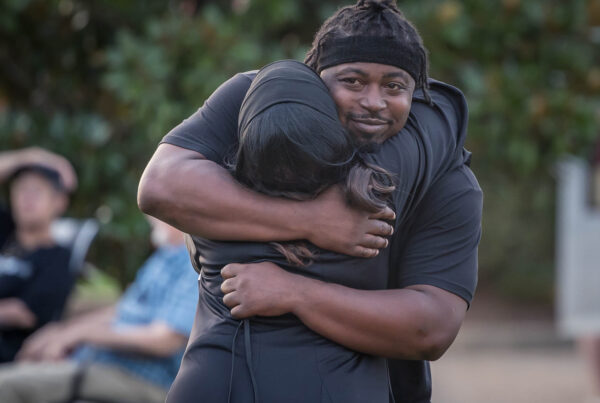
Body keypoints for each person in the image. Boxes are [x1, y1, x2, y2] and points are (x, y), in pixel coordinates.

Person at [139, 1, 482, 401]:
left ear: (416, 93)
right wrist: (310, 219)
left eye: (393, 86)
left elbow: (433, 326)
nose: (373, 101)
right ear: (314, 77)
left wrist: (294, 292)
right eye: (352, 81)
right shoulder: (251, 108)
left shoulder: (444, 179)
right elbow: (159, 187)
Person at [0, 217, 199, 403]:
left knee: (5, 386)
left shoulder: (191, 265)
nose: (149, 215)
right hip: (99, 367)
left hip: (139, 379)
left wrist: (81, 335)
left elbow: (164, 340)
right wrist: (62, 333)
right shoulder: (163, 257)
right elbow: (120, 311)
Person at [0, 148, 76, 362]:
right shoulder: (5, 231)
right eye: (21, 190)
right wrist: (29, 156)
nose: (27, 199)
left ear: (59, 202)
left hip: (13, 356)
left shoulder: (58, 257)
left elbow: (23, 314)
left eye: (36, 191)